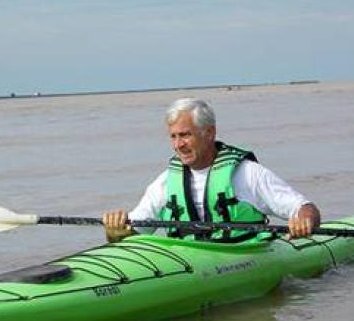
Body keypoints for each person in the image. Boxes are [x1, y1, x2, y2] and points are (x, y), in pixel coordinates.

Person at [103, 98, 320, 243]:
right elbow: (132, 235)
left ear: (209, 133)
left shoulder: (247, 174)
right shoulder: (165, 183)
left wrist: (304, 221)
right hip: (185, 262)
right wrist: (115, 231)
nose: (179, 145)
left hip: (244, 256)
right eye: (174, 136)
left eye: (186, 135)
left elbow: (304, 208)